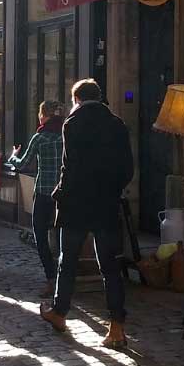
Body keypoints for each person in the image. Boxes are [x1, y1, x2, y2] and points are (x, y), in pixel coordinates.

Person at [40, 79, 134, 349]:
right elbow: (127, 168)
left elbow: (69, 166)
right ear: (100, 97)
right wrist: (112, 189)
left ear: (76, 99)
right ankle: (116, 326)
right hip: (105, 203)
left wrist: (61, 193)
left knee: (67, 260)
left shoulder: (72, 124)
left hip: (77, 204)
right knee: (110, 266)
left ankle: (59, 313)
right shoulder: (117, 124)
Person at [7, 100, 65, 298]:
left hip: (43, 192)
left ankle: (51, 278)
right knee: (63, 236)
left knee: (40, 235)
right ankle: (65, 277)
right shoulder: (68, 135)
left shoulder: (39, 138)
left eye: (40, 114)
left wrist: (13, 156)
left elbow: (22, 164)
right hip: (65, 193)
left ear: (44, 116)